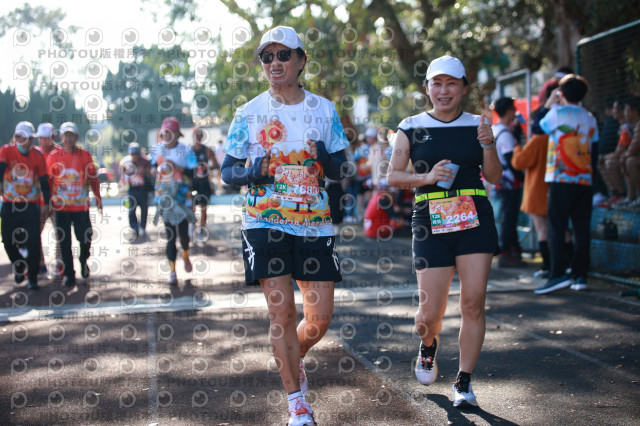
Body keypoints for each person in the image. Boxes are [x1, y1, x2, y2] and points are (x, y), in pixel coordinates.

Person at [221, 26, 348, 426]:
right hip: (264, 222)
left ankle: (295, 355)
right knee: (283, 316)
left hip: (314, 224)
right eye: (267, 56)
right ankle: (297, 404)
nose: (274, 63)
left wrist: (324, 155)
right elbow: (227, 170)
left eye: (283, 55)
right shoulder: (249, 112)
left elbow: (342, 168)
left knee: (320, 319)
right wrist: (253, 171)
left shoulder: (324, 110)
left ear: (301, 60)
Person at [387, 55, 501, 408]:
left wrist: (489, 144)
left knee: (473, 302)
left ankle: (464, 380)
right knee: (428, 315)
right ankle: (428, 345)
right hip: (429, 219)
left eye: (451, 83)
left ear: (464, 87)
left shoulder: (478, 124)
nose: (444, 90)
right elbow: (393, 176)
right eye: (437, 83)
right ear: (427, 88)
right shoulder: (410, 126)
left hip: (474, 217)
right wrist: (427, 177)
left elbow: (495, 176)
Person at [533, 74, 599, 294]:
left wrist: (549, 103)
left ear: (561, 92)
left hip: (560, 178)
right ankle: (580, 276)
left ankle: (557, 274)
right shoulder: (590, 118)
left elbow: (536, 127)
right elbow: (595, 150)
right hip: (584, 178)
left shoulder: (556, 114)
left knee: (557, 226)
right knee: (582, 228)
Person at [46, 122, 102, 287]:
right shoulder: (54, 156)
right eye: (65, 136)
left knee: (85, 237)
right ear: (61, 138)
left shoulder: (84, 155)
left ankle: (83, 259)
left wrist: (98, 197)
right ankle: (69, 274)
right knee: (64, 242)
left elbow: (93, 178)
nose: (68, 139)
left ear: (76, 137)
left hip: (80, 207)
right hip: (61, 207)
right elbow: (48, 180)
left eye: (71, 136)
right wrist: (49, 200)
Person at [0, 122, 51, 290]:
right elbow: (1, 169)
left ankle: (33, 278)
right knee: (8, 240)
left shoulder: (37, 155)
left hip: (31, 204)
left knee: (33, 241)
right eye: (22, 137)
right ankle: (19, 264)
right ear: (16, 137)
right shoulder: (7, 151)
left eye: (29, 138)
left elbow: (44, 181)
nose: (26, 141)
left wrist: (46, 203)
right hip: (10, 204)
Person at [151, 117, 197, 285]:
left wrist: (176, 167)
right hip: (165, 198)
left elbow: (194, 173)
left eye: (171, 132)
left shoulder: (186, 150)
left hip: (182, 197)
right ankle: (172, 272)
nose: (168, 136)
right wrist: (155, 171)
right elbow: (152, 169)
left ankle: (185, 253)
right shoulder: (157, 149)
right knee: (170, 235)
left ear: (178, 134)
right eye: (165, 133)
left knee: (183, 235)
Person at [491, 97, 525, 267]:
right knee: (509, 217)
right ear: (509, 111)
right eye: (513, 108)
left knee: (507, 216)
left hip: (500, 180)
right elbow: (512, 161)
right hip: (510, 182)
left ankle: (513, 250)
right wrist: (522, 178)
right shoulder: (505, 134)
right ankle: (506, 252)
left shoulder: (495, 129)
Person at [34, 122, 60, 276]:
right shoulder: (34, 153)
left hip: (58, 202)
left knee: (61, 233)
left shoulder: (60, 153)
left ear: (53, 138)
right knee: (34, 233)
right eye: (40, 138)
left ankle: (60, 264)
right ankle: (40, 264)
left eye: (46, 138)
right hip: (39, 202)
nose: (43, 141)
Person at [119, 142, 152, 240]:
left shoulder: (145, 161)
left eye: (136, 154)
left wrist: (144, 172)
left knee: (144, 209)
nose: (135, 156)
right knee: (131, 210)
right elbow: (123, 175)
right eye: (133, 154)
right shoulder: (126, 162)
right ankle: (134, 228)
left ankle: (142, 227)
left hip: (143, 189)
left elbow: (150, 172)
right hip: (132, 189)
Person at [191, 127, 219, 230]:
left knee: (203, 208)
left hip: (204, 182)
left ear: (202, 136)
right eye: (195, 134)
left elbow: (216, 165)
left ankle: (202, 229)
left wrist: (206, 168)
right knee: (191, 207)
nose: (197, 137)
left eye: (199, 135)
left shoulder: (207, 150)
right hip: (192, 182)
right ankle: (192, 227)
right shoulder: (189, 151)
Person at [619, 96, 640, 210]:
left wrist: (624, 156)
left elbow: (633, 149)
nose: (624, 113)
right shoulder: (629, 127)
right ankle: (630, 196)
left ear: (635, 112)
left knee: (630, 161)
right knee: (625, 160)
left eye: (626, 110)